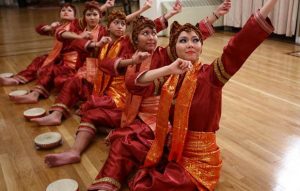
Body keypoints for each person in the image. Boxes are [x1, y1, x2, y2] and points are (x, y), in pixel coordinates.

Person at [87, 0, 233, 190]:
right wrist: (129, 61)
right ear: (135, 39)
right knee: (109, 129)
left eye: (154, 33)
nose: (152, 37)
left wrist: (215, 15)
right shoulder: (129, 53)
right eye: (145, 34)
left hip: (160, 120)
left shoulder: (164, 55)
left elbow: (190, 37)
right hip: (132, 112)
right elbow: (116, 72)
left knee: (124, 142)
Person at [31, 0, 153, 126]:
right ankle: (56, 113)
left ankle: (81, 108)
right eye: (88, 15)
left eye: (95, 14)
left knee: (85, 100)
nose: (92, 18)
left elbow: (134, 27)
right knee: (69, 80)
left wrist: (146, 11)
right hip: (92, 77)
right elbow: (72, 42)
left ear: (100, 18)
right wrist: (93, 43)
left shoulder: (119, 38)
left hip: (111, 87)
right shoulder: (86, 30)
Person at [0, 3, 77, 86]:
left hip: (70, 61)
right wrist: (50, 27)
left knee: (49, 70)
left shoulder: (76, 26)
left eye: (69, 10)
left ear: (74, 15)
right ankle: (18, 79)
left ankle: (38, 90)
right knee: (38, 61)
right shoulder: (59, 26)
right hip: (58, 57)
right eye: (63, 10)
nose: (66, 12)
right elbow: (38, 29)